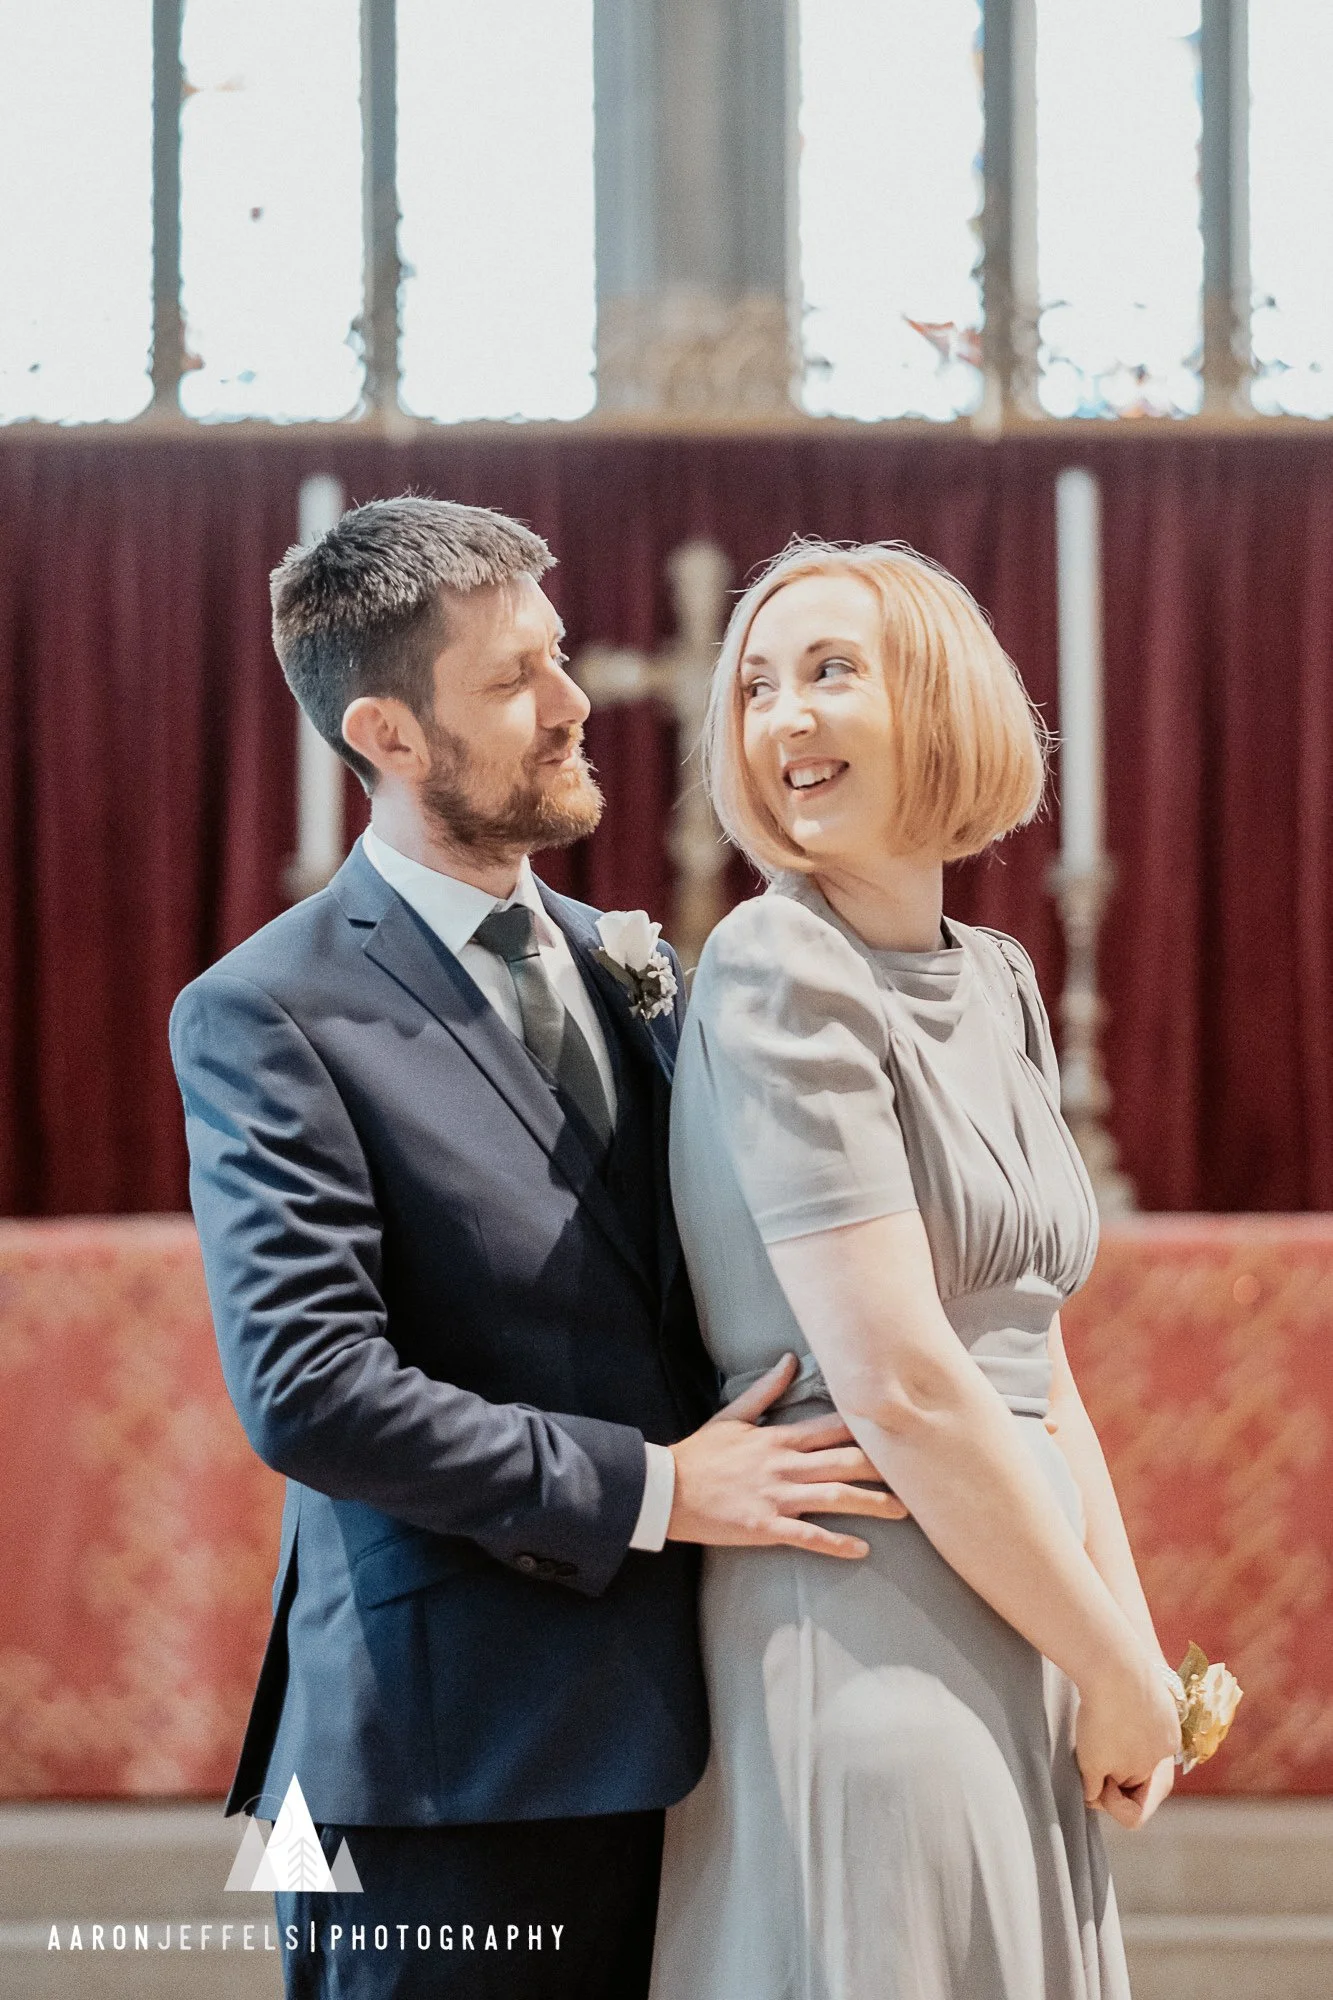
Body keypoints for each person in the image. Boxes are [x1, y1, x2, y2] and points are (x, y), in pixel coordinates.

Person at [169, 497, 900, 2000]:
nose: (574, 702)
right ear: (388, 734)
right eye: (515, 680)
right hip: (440, 1765)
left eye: (558, 655)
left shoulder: (628, 963)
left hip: (689, 1729)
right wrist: (658, 1489)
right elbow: (310, 1389)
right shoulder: (267, 1011)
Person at [650, 540, 1181, 2000]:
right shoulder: (779, 962)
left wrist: (1122, 1651)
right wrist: (1114, 1665)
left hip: (1024, 1609)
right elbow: (903, 1381)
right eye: (757, 686)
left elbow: (1037, 1365)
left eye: (831, 672)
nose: (784, 717)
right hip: (866, 1608)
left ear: (942, 702)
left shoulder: (1000, 978)